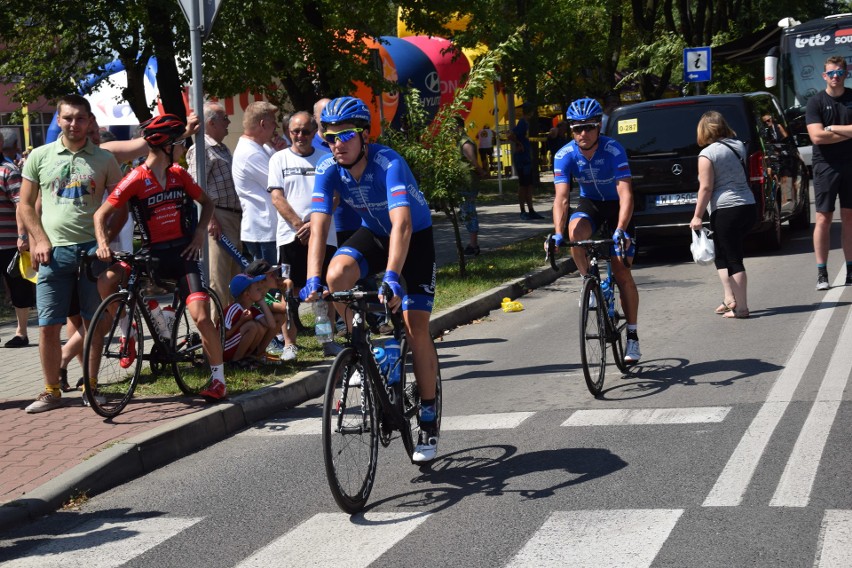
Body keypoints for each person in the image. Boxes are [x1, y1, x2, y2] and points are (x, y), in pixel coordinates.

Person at [300, 96, 441, 463]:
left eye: (345, 135)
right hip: (375, 234)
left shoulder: (388, 162)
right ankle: (376, 342)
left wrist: (393, 277)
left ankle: (427, 416)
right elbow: (318, 228)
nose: (336, 144)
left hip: (413, 239)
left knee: (415, 327)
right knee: (336, 277)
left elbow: (404, 224)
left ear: (364, 134)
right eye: (329, 138)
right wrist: (313, 278)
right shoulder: (328, 169)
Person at [92, 114, 227, 400]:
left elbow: (207, 202)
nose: (182, 147)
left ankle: (218, 380)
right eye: (179, 142)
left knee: (201, 318)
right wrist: (103, 243)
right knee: (106, 281)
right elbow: (101, 214)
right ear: (167, 146)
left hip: (182, 254)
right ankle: (127, 333)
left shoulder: (179, 174)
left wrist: (200, 233)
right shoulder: (136, 178)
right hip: (150, 255)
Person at [17, 94, 124, 413]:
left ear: (90, 121)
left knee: (93, 323)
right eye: (68, 118)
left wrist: (106, 238)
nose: (74, 124)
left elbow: (121, 204)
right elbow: (25, 203)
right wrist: (38, 240)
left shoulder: (104, 159)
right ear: (59, 120)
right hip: (52, 254)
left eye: (80, 118)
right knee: (48, 325)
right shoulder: (40, 155)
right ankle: (52, 391)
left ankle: (91, 389)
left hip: (93, 255)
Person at [551, 97, 641, 364]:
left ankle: (633, 337)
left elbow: (626, 194)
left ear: (599, 126)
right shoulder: (564, 155)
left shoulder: (613, 150)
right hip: (591, 204)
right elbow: (562, 199)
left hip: (617, 208)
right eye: (576, 128)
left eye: (588, 127)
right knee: (575, 230)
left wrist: (621, 229)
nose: (582, 134)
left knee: (622, 271)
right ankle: (590, 283)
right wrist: (557, 233)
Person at [267, 111, 340, 360]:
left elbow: (335, 197)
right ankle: (289, 343)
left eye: (306, 131)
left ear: (314, 132)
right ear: (289, 132)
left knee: (324, 292)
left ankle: (327, 340)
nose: (300, 136)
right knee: (288, 290)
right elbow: (277, 197)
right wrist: (300, 225)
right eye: (295, 131)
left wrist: (315, 225)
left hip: (324, 236)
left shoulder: (326, 158)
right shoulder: (279, 159)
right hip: (290, 237)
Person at [689, 111, 756, 319]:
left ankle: (742, 307)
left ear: (703, 130)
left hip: (726, 210)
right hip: (748, 206)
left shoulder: (707, 154)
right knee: (722, 254)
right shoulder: (738, 146)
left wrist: (697, 216)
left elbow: (706, 188)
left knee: (733, 257)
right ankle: (729, 299)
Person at [187, 102, 241, 311]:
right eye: (224, 118)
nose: (228, 122)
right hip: (218, 218)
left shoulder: (221, 148)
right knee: (218, 279)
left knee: (234, 277)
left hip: (232, 217)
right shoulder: (201, 149)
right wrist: (211, 220)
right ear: (211, 123)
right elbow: (195, 189)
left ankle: (234, 329)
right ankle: (216, 331)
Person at [805, 55, 852, 290]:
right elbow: (816, 137)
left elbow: (824, 133)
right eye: (831, 73)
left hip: (851, 164)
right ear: (824, 76)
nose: (835, 77)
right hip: (825, 167)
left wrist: (831, 128)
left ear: (846, 73)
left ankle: (850, 270)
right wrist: (847, 132)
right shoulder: (815, 102)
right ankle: (822, 273)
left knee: (849, 218)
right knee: (823, 218)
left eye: (839, 73)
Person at [233, 101, 285, 264]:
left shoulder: (261, 148)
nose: (276, 126)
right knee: (269, 286)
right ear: (262, 124)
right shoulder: (251, 154)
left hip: (266, 230)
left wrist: (281, 152)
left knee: (272, 283)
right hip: (264, 231)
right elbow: (282, 183)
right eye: (273, 121)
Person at [0, 127, 35, 348]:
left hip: (9, 241)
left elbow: (21, 204)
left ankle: (22, 333)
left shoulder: (8, 170)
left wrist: (23, 236)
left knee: (17, 286)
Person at [222, 272, 278, 365]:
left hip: (233, 346)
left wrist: (262, 302)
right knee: (252, 326)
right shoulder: (233, 309)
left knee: (261, 327)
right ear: (247, 294)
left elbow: (271, 325)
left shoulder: (252, 309)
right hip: (224, 349)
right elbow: (223, 336)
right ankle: (236, 361)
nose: (261, 291)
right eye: (258, 289)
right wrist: (241, 321)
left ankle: (247, 357)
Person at [509, 103, 545, 220]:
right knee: (523, 185)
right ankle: (523, 211)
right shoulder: (522, 123)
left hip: (526, 158)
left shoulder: (525, 123)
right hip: (522, 159)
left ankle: (531, 210)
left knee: (529, 185)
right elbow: (511, 135)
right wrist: (518, 145)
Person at [456, 116, 485, 255]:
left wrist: (481, 172)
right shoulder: (459, 142)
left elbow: (472, 161)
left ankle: (474, 245)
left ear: (459, 127)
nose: (449, 131)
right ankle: (472, 243)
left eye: (452, 127)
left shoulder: (464, 142)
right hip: (463, 182)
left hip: (467, 183)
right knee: (465, 211)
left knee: (469, 212)